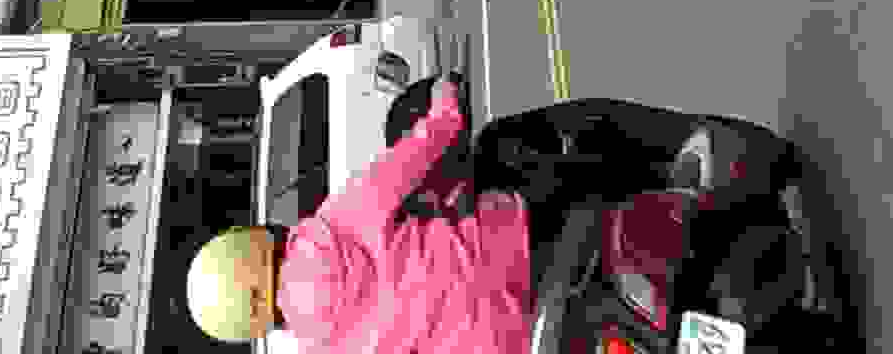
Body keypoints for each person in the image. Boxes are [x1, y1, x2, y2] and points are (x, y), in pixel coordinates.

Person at [180, 83, 716, 354]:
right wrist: (445, 103)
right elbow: (416, 155)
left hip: (520, 343)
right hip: (529, 245)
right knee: (536, 141)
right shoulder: (332, 225)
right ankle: (674, 164)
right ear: (252, 243)